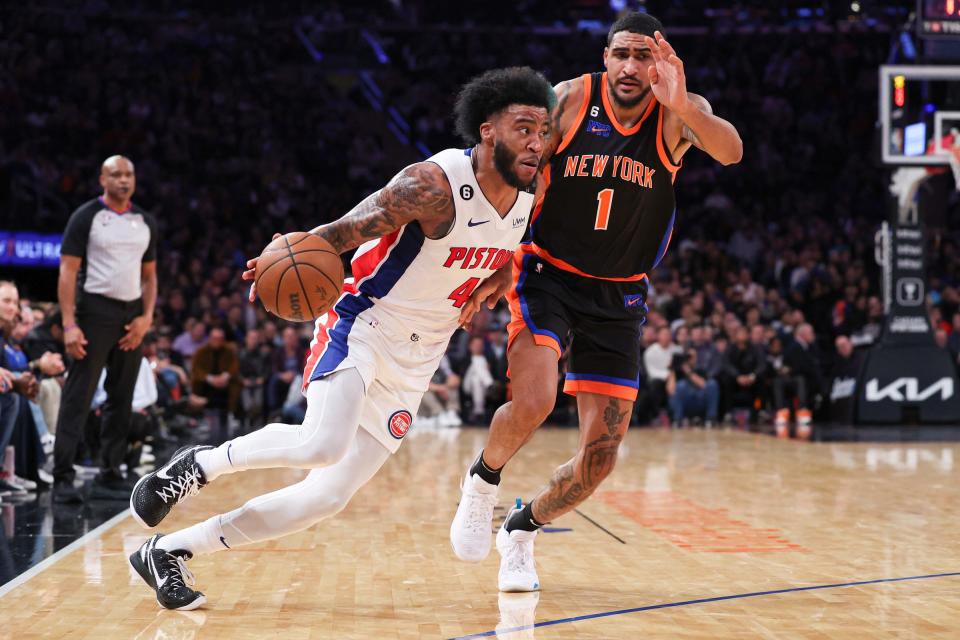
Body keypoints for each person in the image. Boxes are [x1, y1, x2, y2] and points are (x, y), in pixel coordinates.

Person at [127, 67, 555, 610]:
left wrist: (500, 275)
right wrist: (287, 255)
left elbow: (512, 242)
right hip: (365, 322)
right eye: (523, 128)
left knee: (325, 497)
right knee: (321, 444)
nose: (536, 142)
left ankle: (168, 551)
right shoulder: (435, 183)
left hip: (419, 356)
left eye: (542, 131)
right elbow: (352, 228)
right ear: (488, 131)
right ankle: (197, 466)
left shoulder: (530, 188)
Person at [450, 11, 742, 592]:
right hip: (547, 272)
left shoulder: (678, 112)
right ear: (604, 57)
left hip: (621, 292)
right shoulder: (568, 100)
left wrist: (683, 102)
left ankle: (522, 526)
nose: (632, 67)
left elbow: (731, 152)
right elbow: (519, 176)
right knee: (532, 401)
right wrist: (497, 263)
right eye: (621, 55)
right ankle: (483, 480)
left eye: (644, 56)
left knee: (599, 461)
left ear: (660, 61)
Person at [52, 156, 157, 504]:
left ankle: (109, 473)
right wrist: (69, 324)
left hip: (131, 313)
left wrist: (146, 318)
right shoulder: (86, 217)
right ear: (102, 179)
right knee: (78, 395)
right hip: (94, 309)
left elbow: (150, 276)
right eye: (116, 174)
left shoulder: (144, 221)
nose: (124, 180)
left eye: (129, 174)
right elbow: (68, 272)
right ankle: (62, 477)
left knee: (121, 397)